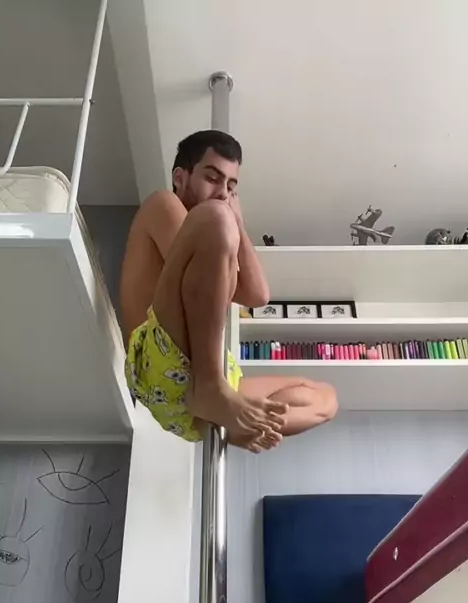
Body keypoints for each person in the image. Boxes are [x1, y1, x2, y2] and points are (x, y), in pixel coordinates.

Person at [121, 130, 338, 453]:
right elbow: (230, 285)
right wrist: (226, 218)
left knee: (324, 398)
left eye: (231, 187)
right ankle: (212, 391)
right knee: (215, 217)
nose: (223, 192)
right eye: (212, 178)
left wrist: (239, 222)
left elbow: (259, 296)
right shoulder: (163, 204)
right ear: (180, 178)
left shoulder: (214, 226)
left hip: (195, 392)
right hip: (157, 364)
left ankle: (237, 426)